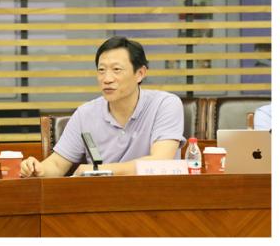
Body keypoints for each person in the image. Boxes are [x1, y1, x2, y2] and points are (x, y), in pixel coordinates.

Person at [20, 36, 184, 177]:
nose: (107, 79)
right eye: (101, 70)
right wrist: (38, 169)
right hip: (102, 198)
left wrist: (98, 171)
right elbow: (57, 165)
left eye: (116, 70)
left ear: (140, 73)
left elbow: (160, 161)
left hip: (155, 196)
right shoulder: (85, 114)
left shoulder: (165, 104)